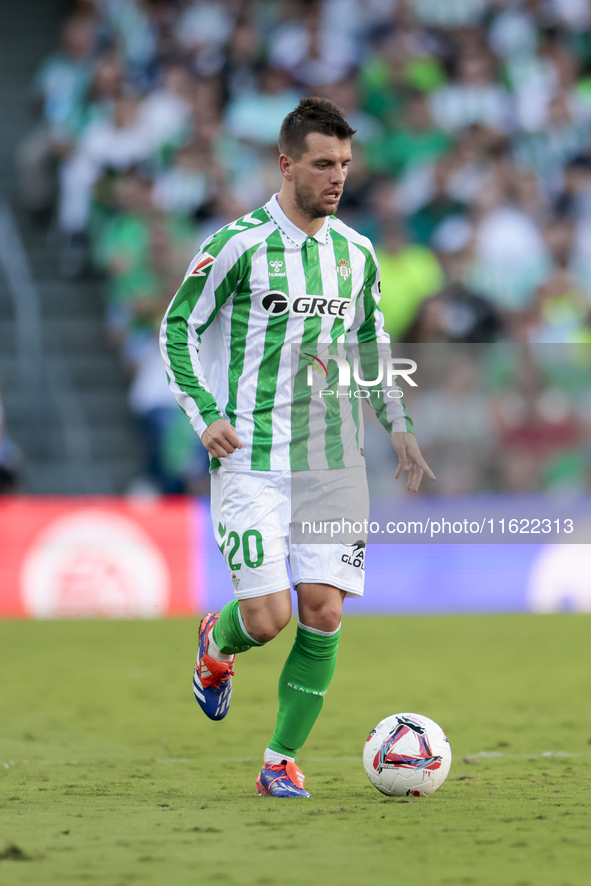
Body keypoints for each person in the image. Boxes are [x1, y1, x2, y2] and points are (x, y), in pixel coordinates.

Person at [160, 97, 434, 798]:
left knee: (322, 609)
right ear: (286, 165)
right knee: (267, 618)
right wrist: (205, 414)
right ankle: (216, 643)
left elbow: (370, 347)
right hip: (250, 455)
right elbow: (176, 330)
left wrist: (396, 425)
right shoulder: (237, 244)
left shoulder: (356, 254)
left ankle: (279, 759)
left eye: (344, 163)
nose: (336, 177)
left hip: (330, 459)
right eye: (322, 163)